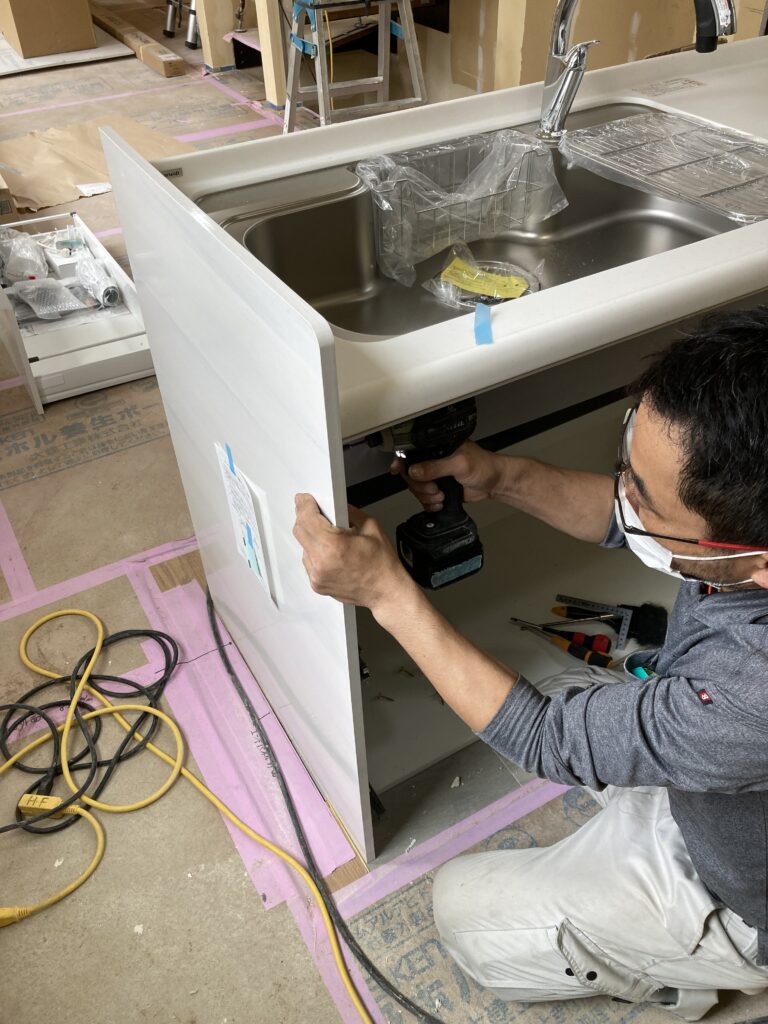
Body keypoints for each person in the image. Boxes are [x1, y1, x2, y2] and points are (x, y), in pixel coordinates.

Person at [292, 308, 768, 1021]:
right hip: (730, 775)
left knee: (462, 912)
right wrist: (501, 475)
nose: (624, 495)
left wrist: (387, 595)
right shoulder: (740, 538)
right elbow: (630, 520)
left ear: (751, 560)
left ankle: (693, 975)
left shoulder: (748, 692)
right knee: (560, 687)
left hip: (744, 897)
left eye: (644, 498)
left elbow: (546, 737)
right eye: (629, 465)